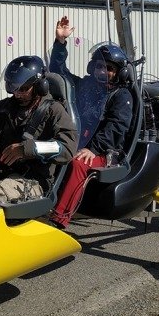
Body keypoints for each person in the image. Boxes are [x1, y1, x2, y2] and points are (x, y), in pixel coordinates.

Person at [48, 16, 133, 228]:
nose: (102, 72)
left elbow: (117, 127)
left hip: (106, 152)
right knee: (45, 150)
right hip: (80, 142)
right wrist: (60, 42)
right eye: (99, 66)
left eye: (109, 68)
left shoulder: (121, 96)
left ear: (119, 72)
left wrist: (94, 149)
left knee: (78, 163)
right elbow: (59, 74)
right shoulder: (86, 86)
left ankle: (59, 219)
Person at [0, 55, 78, 204]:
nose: (17, 94)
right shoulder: (7, 107)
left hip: (33, 180)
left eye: (23, 89)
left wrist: (27, 149)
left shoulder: (54, 110)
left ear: (39, 86)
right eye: (13, 88)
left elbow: (67, 149)